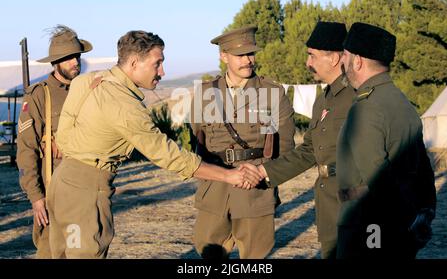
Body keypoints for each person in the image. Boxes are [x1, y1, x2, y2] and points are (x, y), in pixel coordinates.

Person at [46, 30, 262, 259]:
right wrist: (229, 176)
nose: (162, 72)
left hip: (62, 182)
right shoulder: (124, 105)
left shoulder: (86, 81)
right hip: (84, 192)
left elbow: (64, 136)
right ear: (133, 63)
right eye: (157, 63)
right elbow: (168, 155)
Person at [240, 21, 354, 258]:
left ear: (334, 58)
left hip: (355, 203)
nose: (307, 63)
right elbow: (310, 150)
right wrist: (264, 172)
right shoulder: (324, 99)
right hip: (330, 203)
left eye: (312, 56)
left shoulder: (356, 96)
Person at [189, 26, 296, 259]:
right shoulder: (205, 94)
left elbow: (286, 147)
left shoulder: (273, 93)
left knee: (255, 258)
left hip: (255, 189)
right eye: (240, 55)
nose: (248, 60)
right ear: (223, 56)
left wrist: (262, 173)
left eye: (251, 54)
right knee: (209, 256)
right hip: (214, 189)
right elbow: (197, 140)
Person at [336, 22, 436, 258]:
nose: (342, 62)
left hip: (369, 226)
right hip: (399, 226)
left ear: (357, 61)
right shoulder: (402, 103)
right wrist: (422, 214)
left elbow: (378, 179)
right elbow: (424, 170)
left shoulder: (366, 108)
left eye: (345, 56)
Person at [17, 25, 92, 258]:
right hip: (54, 194)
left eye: (77, 56)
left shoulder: (88, 90)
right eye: (68, 58)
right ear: (56, 62)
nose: (75, 62)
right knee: (52, 253)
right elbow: (26, 149)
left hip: (86, 191)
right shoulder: (40, 95)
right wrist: (37, 198)